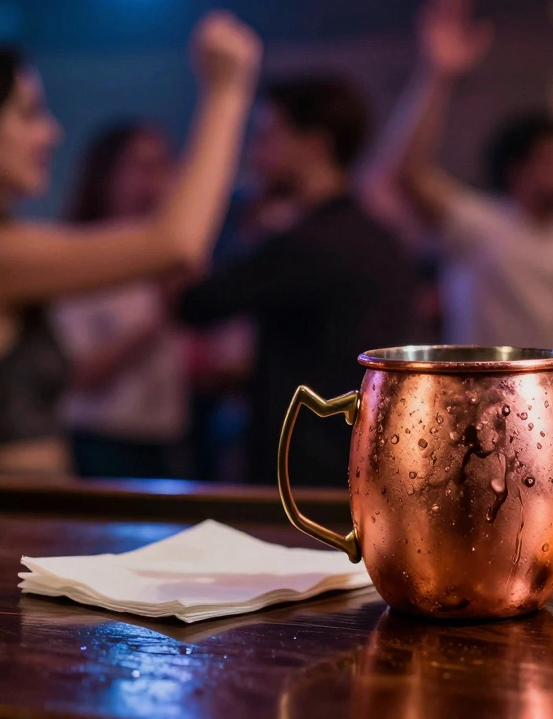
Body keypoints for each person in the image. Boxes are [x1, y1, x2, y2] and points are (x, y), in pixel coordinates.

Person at [0, 12, 261, 475]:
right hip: (1, 523)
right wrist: (227, 91)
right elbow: (176, 243)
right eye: (29, 113)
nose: (50, 133)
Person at [178, 76, 417, 487]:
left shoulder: (307, 243)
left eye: (269, 136)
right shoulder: (381, 237)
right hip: (370, 454)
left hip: (304, 465)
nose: (256, 154)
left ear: (315, 145)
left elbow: (194, 302)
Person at [364, 0, 553, 352]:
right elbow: (408, 174)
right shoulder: (484, 226)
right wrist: (436, 75)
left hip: (552, 393)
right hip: (483, 395)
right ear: (517, 171)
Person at [51, 123, 192, 479]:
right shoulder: (81, 257)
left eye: (165, 166)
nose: (159, 182)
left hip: (168, 441)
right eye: (144, 168)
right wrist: (162, 313)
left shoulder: (167, 262)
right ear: (106, 176)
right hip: (103, 444)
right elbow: (76, 374)